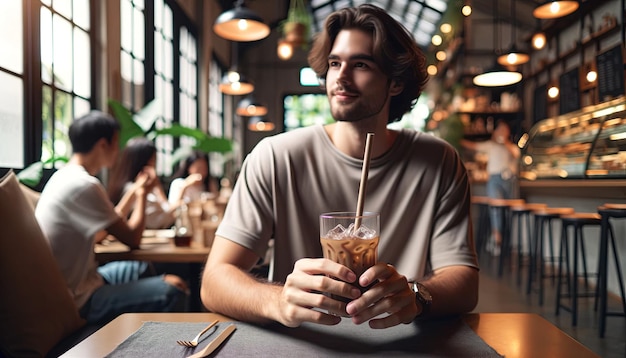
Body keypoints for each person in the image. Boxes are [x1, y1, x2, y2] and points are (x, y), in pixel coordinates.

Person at [200, 4, 479, 330]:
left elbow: (464, 282)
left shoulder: (440, 161)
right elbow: (215, 280)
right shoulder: (275, 157)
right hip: (297, 344)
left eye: (360, 64)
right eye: (334, 63)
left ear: (395, 83)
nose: (341, 77)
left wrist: (417, 296)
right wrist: (279, 301)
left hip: (400, 344)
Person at [35, 110, 188, 324]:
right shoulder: (84, 185)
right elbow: (133, 239)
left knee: (143, 267)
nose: (119, 150)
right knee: (173, 289)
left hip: (84, 282)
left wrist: (135, 190)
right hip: (79, 299)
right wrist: (142, 193)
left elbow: (99, 233)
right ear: (103, 145)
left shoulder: (64, 177)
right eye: (116, 143)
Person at [461, 120, 521, 255]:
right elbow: (473, 146)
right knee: (496, 209)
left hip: (509, 181)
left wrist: (504, 141)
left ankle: (501, 242)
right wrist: (457, 138)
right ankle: (497, 239)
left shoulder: (511, 147)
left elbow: (516, 155)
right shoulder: (490, 146)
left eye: (504, 130)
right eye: (500, 130)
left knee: (507, 213)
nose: (501, 132)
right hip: (494, 180)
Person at [108, 137, 176, 229]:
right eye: (154, 159)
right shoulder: (133, 189)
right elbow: (155, 223)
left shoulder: (149, 187)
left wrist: (157, 187)